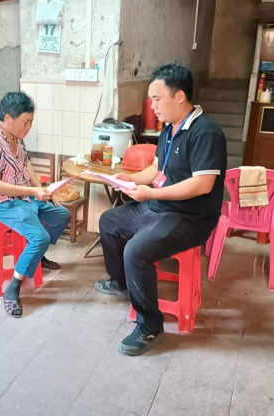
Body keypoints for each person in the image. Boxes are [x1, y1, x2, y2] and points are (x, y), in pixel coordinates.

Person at [95, 62, 227, 356]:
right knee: (109, 221)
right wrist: (129, 179)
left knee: (136, 251)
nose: (152, 106)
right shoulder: (169, 130)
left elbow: (202, 184)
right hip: (160, 206)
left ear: (179, 96)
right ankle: (122, 282)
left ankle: (150, 326)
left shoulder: (206, 132)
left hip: (190, 217)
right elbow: (156, 169)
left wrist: (152, 193)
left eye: (157, 99)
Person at [0, 92, 71, 318]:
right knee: (40, 237)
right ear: (8, 119)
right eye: (25, 122)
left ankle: (37, 255)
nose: (28, 127)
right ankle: (12, 288)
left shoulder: (17, 136)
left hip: (22, 197)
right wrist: (33, 192)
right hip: (0, 203)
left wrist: (42, 190)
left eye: (31, 122)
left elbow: (26, 164)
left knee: (61, 214)